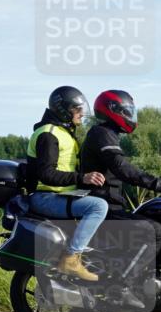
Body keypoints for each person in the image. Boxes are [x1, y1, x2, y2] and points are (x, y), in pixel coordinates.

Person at [80, 89, 161, 266]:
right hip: (104, 207)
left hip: (111, 205)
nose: (130, 116)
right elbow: (123, 169)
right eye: (127, 111)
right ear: (112, 109)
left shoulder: (109, 134)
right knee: (156, 232)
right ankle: (131, 284)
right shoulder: (101, 134)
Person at [27, 86, 108, 282]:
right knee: (98, 207)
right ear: (63, 110)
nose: (81, 113)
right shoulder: (49, 134)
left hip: (59, 195)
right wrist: (83, 178)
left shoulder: (64, 133)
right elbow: (47, 175)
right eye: (76, 109)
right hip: (45, 197)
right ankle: (71, 258)